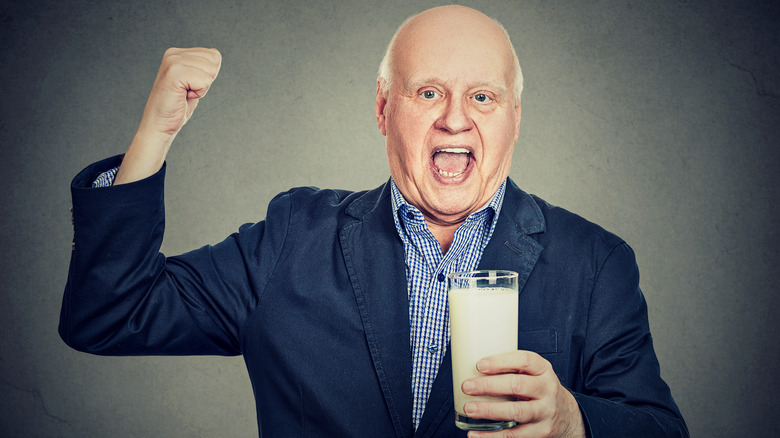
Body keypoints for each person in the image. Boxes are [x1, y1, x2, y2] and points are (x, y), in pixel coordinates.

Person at [60, 5, 688, 437]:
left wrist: (571, 423)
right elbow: (110, 312)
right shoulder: (292, 237)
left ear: (514, 118)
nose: (454, 119)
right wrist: (157, 131)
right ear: (384, 110)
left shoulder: (596, 262)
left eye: (482, 96)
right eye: (427, 92)